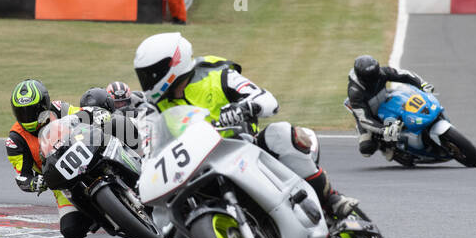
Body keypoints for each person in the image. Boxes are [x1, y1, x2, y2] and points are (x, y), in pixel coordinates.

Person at [132, 32, 358, 220]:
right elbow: (150, 150)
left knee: (281, 133)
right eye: (143, 75)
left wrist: (244, 108)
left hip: (245, 149)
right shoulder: (151, 109)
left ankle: (332, 200)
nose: (148, 80)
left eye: (152, 73)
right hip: (198, 172)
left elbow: (268, 100)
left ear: (174, 64)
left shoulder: (216, 73)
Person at [5, 79, 97, 238]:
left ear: (44, 105)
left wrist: (95, 114)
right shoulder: (15, 140)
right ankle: (101, 216)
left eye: (32, 111)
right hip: (63, 184)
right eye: (22, 112)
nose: (27, 117)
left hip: (89, 158)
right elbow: (23, 176)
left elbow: (85, 114)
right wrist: (34, 183)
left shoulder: (60, 109)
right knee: (71, 232)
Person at [346, 55, 434, 157]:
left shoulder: (381, 72)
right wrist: (383, 129)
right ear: (361, 78)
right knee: (366, 149)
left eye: (375, 74)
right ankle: (383, 146)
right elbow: (364, 119)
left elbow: (405, 75)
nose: (375, 79)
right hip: (369, 115)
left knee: (408, 102)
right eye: (370, 78)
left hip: (385, 100)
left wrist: (422, 84)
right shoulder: (355, 92)